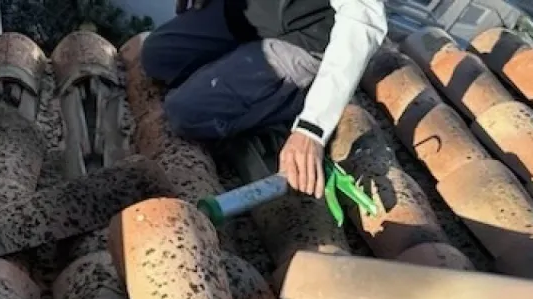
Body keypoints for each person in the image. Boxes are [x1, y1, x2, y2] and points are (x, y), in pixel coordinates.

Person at [140, 0, 387, 198]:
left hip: (303, 37)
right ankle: (239, 69)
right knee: (157, 57)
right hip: (248, 15)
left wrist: (312, 129)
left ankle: (300, 93)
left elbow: (362, 20)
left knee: (187, 112)